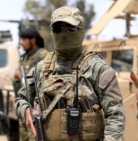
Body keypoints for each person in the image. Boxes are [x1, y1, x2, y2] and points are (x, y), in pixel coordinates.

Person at [15, 6, 125, 141]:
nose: (63, 33)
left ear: (81, 30)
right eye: (58, 28)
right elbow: (21, 98)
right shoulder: (41, 68)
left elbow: (115, 114)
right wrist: (26, 110)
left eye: (70, 28)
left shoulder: (98, 69)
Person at [12, 26, 48, 141]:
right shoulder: (25, 56)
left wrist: (23, 75)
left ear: (33, 40)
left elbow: (45, 76)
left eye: (24, 39)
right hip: (24, 105)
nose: (21, 43)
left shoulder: (42, 55)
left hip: (35, 108)